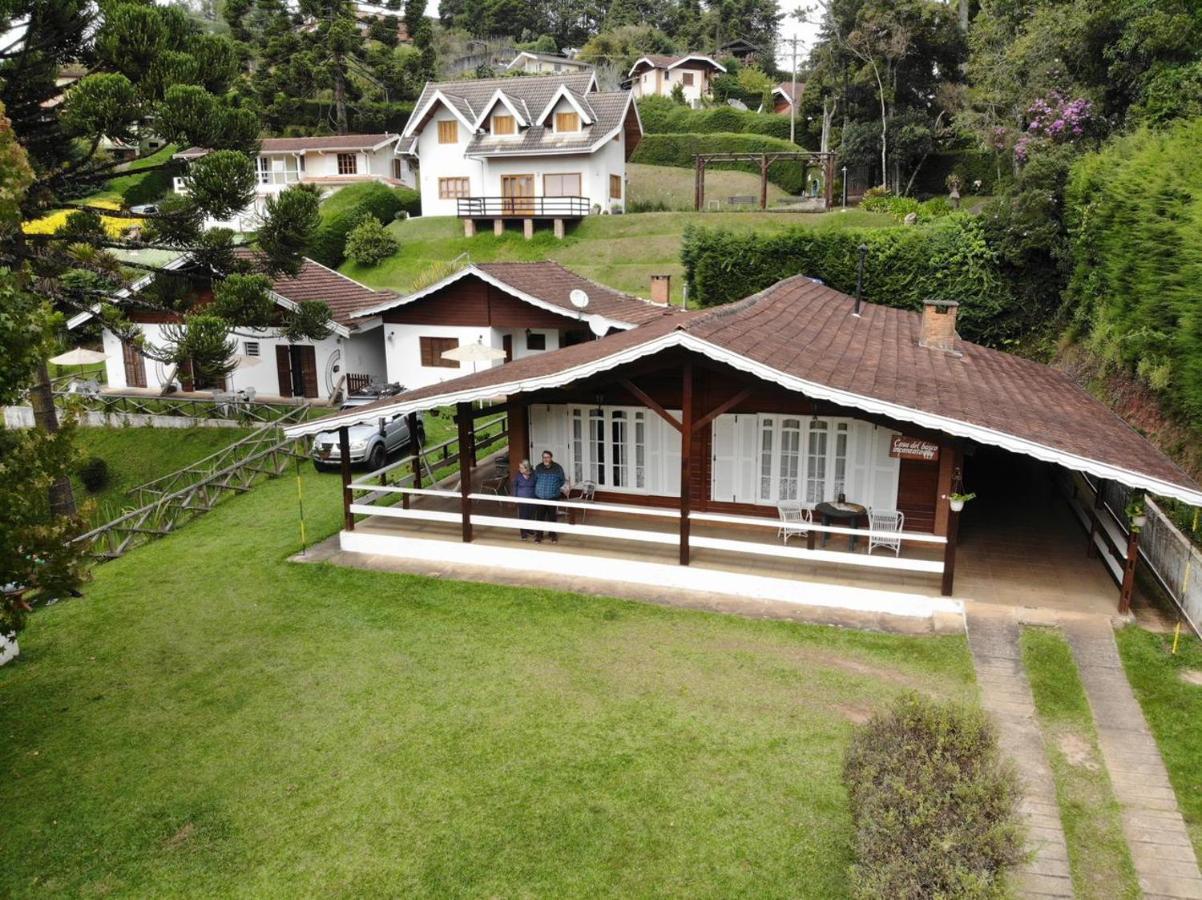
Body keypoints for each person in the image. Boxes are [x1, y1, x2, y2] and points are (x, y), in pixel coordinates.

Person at [532, 449, 566, 544]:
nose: (545, 459)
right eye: (544, 457)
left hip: (552, 497)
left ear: (551, 458)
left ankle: (553, 534)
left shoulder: (558, 468)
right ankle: (539, 535)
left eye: (547, 457)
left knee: (552, 517)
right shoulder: (538, 467)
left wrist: (554, 488)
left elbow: (562, 480)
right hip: (540, 497)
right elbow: (535, 480)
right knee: (540, 517)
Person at [511, 459, 537, 540]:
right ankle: (523, 533)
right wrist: (514, 497)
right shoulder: (518, 476)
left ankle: (529, 529)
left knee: (531, 515)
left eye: (522, 468)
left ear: (527, 468)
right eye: (519, 468)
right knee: (523, 515)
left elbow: (537, 484)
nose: (520, 469)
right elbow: (514, 486)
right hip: (521, 499)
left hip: (532, 498)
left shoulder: (534, 475)